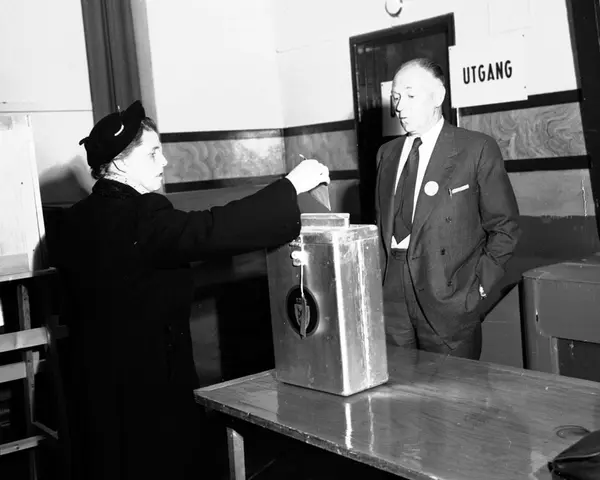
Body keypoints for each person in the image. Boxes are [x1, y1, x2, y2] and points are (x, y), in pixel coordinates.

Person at [57, 100, 329, 479]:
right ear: (119, 164)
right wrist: (291, 186)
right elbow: (211, 229)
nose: (165, 161)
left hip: (94, 385)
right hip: (150, 386)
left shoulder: (73, 219)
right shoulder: (142, 214)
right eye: (153, 153)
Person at [374, 58, 520, 360]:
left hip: (450, 296)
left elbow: (505, 228)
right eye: (396, 97)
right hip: (391, 295)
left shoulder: (476, 149)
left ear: (438, 96)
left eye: (410, 95)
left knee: (453, 387)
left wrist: (478, 288)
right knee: (397, 383)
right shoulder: (386, 154)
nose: (400, 107)